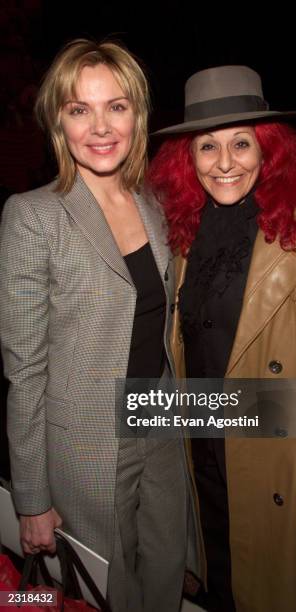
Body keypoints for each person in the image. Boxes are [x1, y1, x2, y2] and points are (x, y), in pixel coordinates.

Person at [0, 39, 197, 612]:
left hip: (160, 419)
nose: (100, 126)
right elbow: (26, 371)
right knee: (109, 591)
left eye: (116, 106)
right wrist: (32, 498)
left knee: (164, 567)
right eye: (79, 109)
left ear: (137, 113)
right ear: (58, 121)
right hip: (86, 441)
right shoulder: (34, 215)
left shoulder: (153, 202)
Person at [148, 65, 296, 612]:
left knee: (264, 585)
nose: (225, 163)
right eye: (207, 146)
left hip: (265, 438)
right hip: (194, 432)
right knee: (210, 573)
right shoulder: (178, 232)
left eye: (241, 143)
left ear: (269, 151)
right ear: (187, 159)